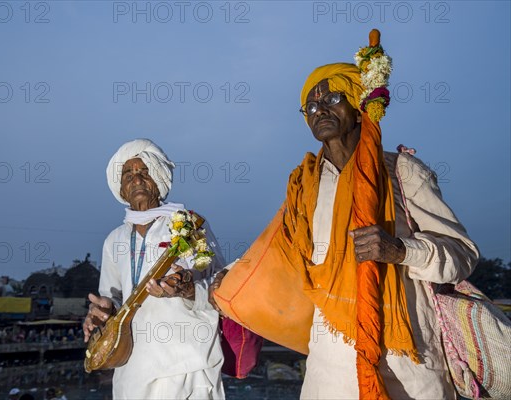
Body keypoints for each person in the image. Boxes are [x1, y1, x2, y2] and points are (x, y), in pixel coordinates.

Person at [211, 35, 479, 399]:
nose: (319, 110)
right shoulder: (304, 186)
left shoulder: (402, 171)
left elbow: (461, 254)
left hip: (407, 362)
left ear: (357, 106)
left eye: (332, 99)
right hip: (329, 368)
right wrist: (223, 282)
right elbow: (275, 254)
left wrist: (401, 251)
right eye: (310, 106)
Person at [83, 139, 225, 399]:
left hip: (187, 364)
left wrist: (188, 289)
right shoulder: (114, 240)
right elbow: (114, 299)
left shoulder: (190, 225)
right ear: (121, 190)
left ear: (159, 180)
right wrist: (103, 309)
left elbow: (221, 286)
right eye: (128, 174)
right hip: (132, 370)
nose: (136, 179)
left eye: (144, 171)